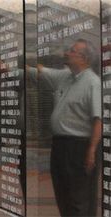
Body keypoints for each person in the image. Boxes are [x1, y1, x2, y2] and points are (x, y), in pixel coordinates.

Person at [28, 38, 101, 216]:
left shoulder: (93, 82)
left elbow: (98, 120)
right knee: (63, 194)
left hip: (80, 146)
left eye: (72, 51)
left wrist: (91, 151)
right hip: (60, 146)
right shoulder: (65, 76)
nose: (66, 53)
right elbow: (39, 71)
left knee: (79, 199)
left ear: (83, 58)